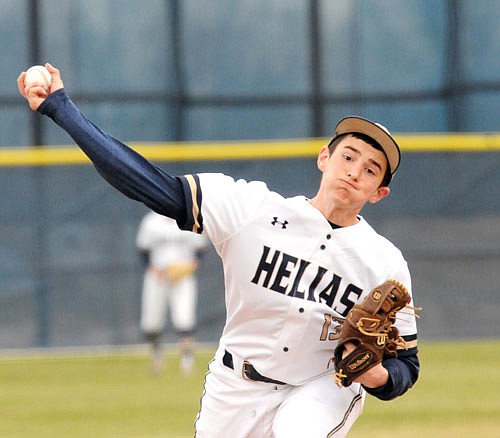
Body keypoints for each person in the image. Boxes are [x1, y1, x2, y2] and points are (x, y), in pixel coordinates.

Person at [18, 63, 420, 437]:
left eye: (370, 169)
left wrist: (380, 378)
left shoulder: (384, 262)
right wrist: (62, 110)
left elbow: (407, 366)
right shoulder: (252, 210)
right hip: (234, 386)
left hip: (321, 387)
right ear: (324, 158)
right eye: (348, 157)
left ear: (379, 192)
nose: (354, 171)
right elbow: (148, 183)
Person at [136, 210, 208, 374]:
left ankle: (187, 359)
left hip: (182, 277)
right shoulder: (152, 221)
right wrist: (153, 269)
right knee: (151, 321)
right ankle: (157, 356)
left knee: (185, 318)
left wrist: (192, 266)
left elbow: (200, 249)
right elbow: (143, 250)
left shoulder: (190, 218)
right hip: (157, 276)